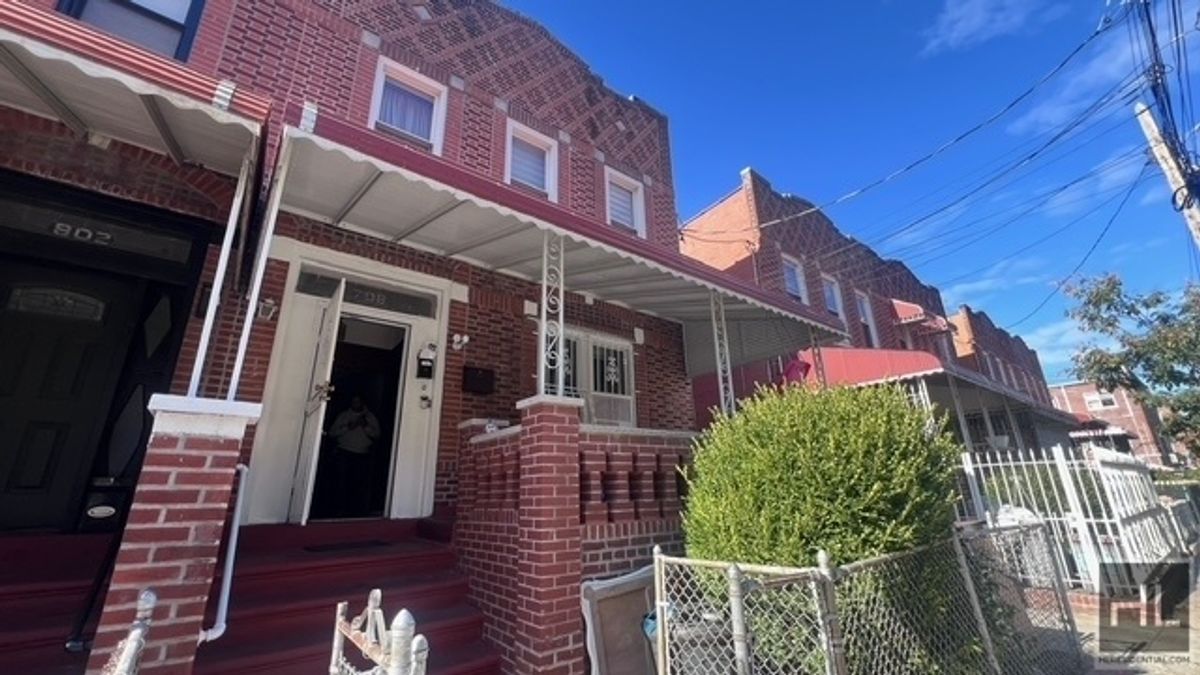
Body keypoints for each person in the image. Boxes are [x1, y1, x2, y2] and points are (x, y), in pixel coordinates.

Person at [327, 395, 380, 516]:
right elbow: (332, 433)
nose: (356, 404)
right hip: (344, 452)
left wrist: (365, 426)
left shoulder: (370, 417)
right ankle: (338, 510)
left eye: (358, 401)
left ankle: (355, 511)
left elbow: (377, 435)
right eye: (354, 401)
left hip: (362, 454)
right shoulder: (344, 415)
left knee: (358, 484)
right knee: (340, 483)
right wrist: (347, 427)